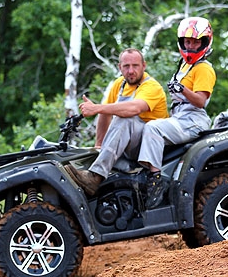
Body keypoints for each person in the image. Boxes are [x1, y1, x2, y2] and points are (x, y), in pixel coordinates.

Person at [64, 48, 168, 196]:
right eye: (126, 66)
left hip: (151, 148)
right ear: (120, 67)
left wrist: (97, 108)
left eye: (135, 66)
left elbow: (133, 108)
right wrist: (99, 145)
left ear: (144, 66)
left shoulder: (152, 86)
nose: (131, 71)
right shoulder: (119, 84)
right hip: (131, 146)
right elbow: (105, 115)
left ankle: (95, 177)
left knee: (124, 118)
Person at [137, 16, 217, 208]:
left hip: (193, 119)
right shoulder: (184, 65)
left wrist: (182, 89)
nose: (190, 46)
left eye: (195, 42)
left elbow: (200, 101)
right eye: (187, 42)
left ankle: (156, 182)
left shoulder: (204, 68)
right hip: (179, 116)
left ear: (204, 42)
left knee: (153, 129)